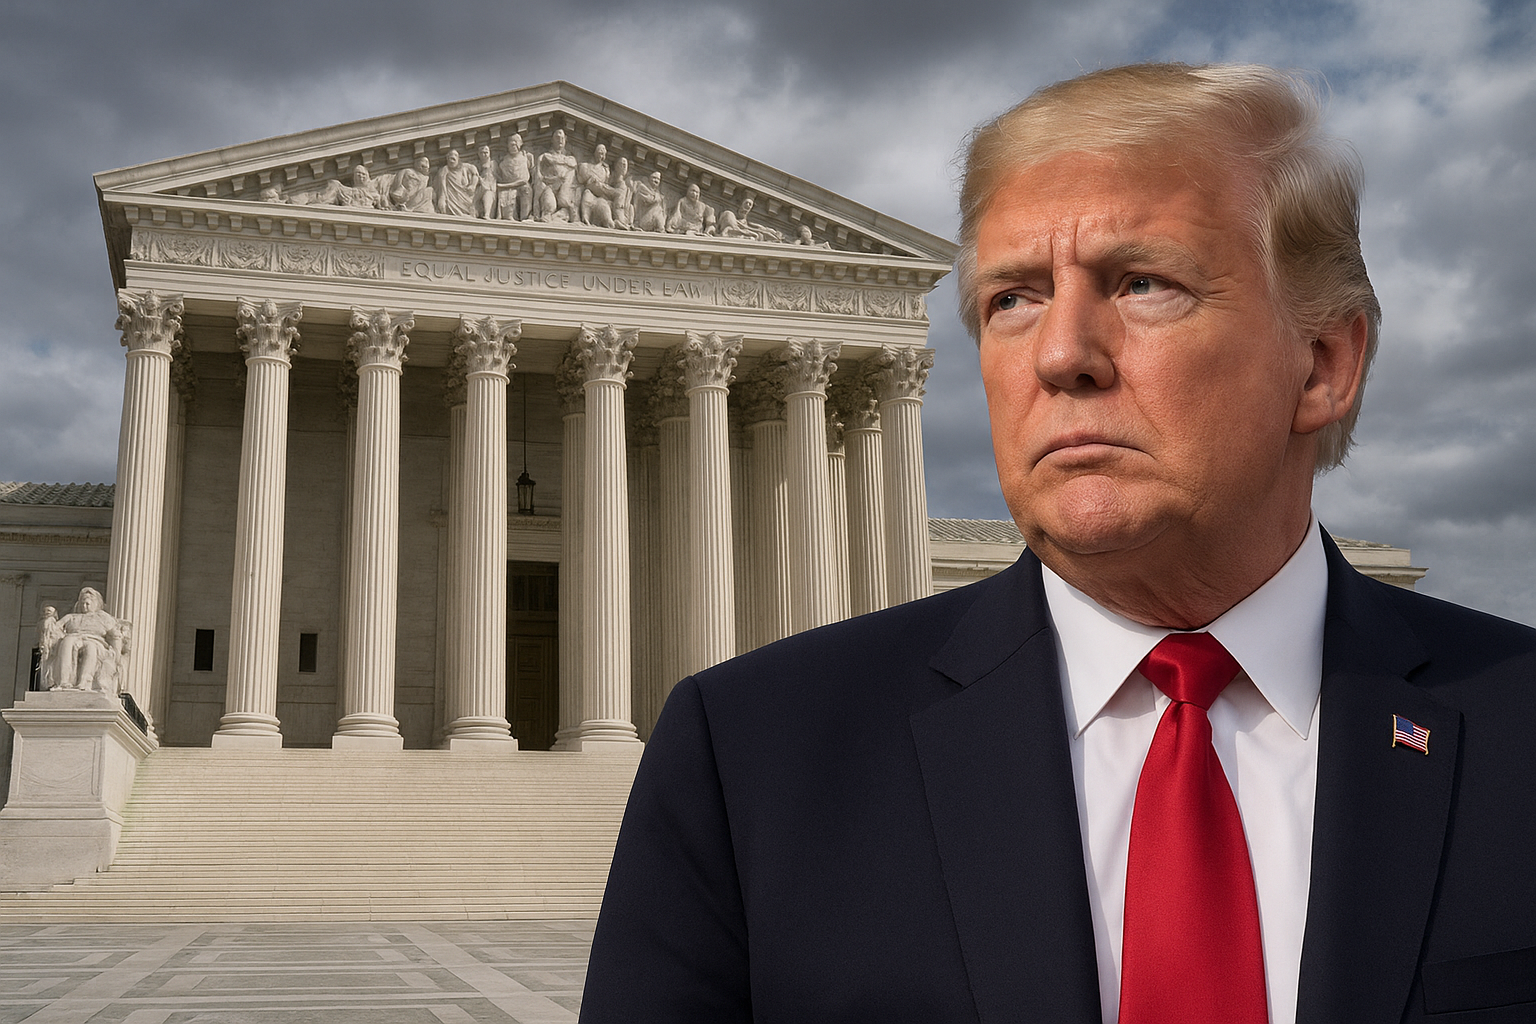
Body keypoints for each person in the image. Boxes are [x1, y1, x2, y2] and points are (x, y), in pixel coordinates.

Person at [581, 62, 1536, 1022]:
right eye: (1012, 299)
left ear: (1324, 364)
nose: (1060, 352)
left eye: (1142, 282)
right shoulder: (755, 756)